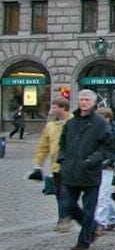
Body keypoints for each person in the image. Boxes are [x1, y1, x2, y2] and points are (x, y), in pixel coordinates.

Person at [57, 90, 115, 250]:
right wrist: (63, 159)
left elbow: (107, 147)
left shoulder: (100, 123)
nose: (83, 102)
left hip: (90, 172)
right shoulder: (71, 123)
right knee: (67, 204)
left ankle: (83, 241)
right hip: (71, 170)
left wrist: (92, 160)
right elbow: (62, 144)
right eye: (81, 99)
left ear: (93, 102)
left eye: (87, 100)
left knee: (89, 209)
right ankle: (92, 227)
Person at [31, 97, 71, 230]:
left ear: (63, 108)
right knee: (59, 193)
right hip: (56, 166)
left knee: (67, 193)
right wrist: (38, 164)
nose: (52, 110)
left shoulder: (72, 122)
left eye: (54, 108)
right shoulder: (50, 126)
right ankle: (63, 218)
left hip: (70, 165)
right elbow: (43, 147)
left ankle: (65, 218)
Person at [94, 107, 115, 234]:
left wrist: (114, 161)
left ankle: (100, 223)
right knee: (102, 194)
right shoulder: (95, 131)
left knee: (103, 196)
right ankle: (114, 218)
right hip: (97, 165)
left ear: (108, 119)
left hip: (109, 166)